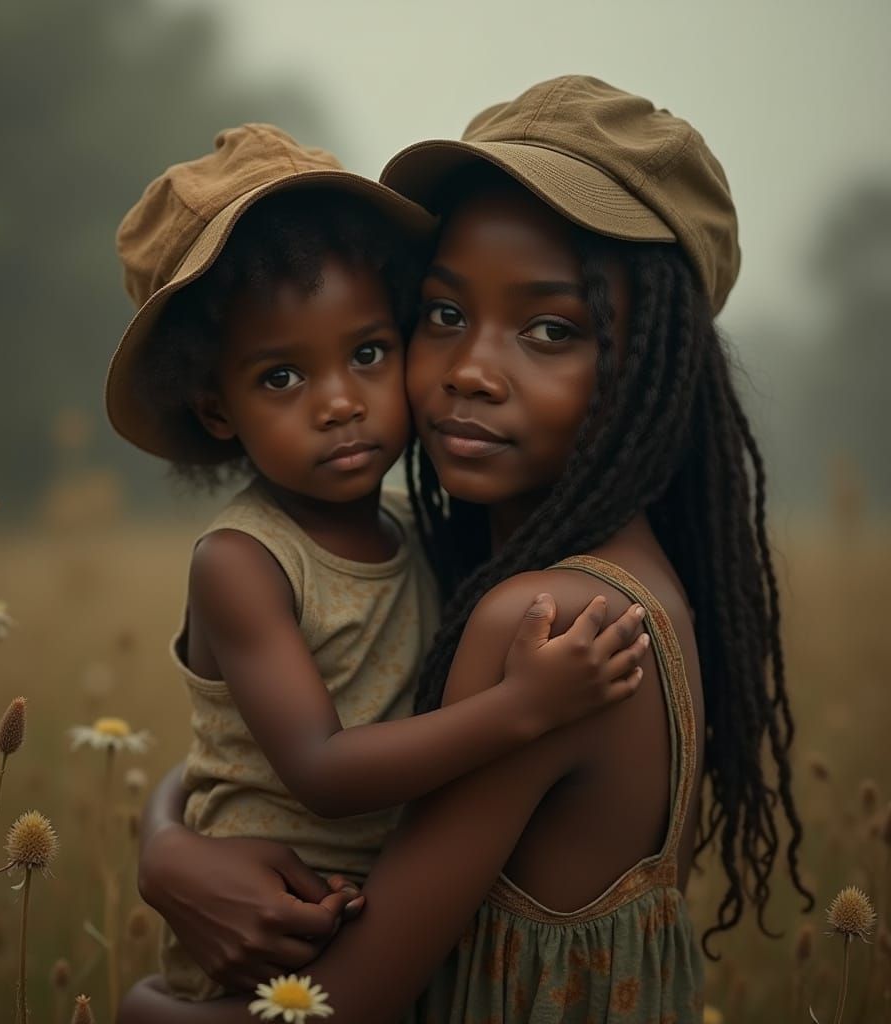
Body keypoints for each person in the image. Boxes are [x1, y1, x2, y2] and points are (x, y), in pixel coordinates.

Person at [121, 77, 812, 1023]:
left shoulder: (553, 624)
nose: (473, 370)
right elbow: (267, 752)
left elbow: (338, 1009)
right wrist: (167, 848)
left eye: (551, 330)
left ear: (652, 364)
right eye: (444, 315)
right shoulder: (549, 581)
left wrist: (143, 1009)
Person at [106, 122, 650, 1002]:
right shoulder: (243, 562)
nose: (339, 404)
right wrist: (523, 707)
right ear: (214, 408)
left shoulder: (416, 530)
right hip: (268, 946)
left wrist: (162, 838)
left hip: (376, 940)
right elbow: (320, 771)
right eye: (282, 377)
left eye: (367, 353)